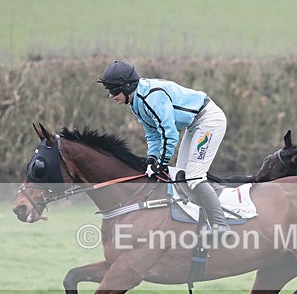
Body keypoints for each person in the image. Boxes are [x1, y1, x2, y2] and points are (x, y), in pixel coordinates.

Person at [98, 60, 231, 236]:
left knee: (194, 177)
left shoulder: (152, 97)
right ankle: (200, 220)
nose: (111, 95)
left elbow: (170, 135)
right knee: (182, 176)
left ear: (128, 86)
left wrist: (161, 163)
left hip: (208, 121)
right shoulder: (136, 102)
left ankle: (221, 225)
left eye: (114, 90)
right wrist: (152, 158)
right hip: (194, 124)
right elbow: (153, 134)